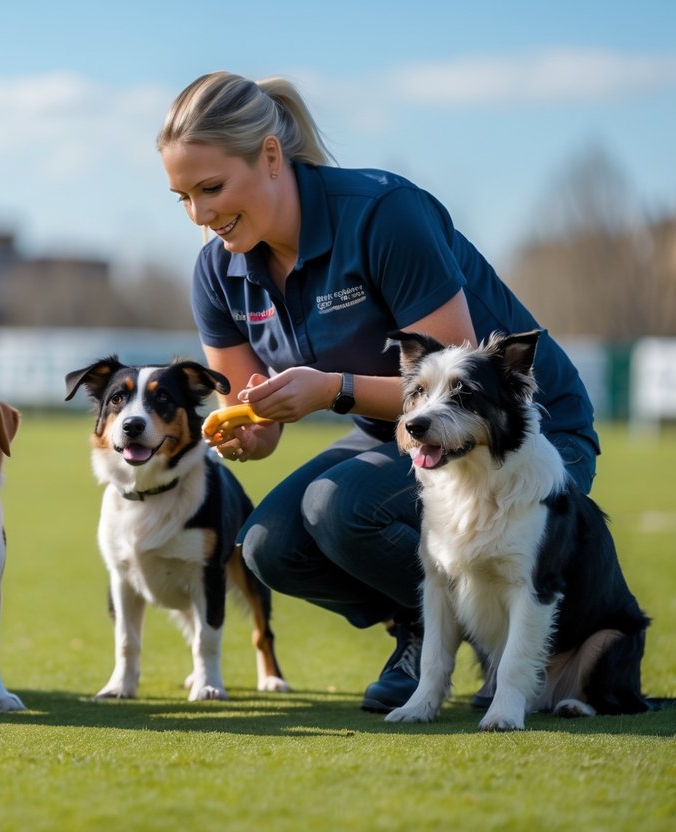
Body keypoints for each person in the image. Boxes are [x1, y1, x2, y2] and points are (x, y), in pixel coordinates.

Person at [157, 71, 599, 713]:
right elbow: (253, 415)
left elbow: (453, 389)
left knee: (338, 507)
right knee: (265, 547)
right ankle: (421, 623)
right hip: (405, 443)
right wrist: (248, 429)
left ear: (272, 157)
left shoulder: (383, 212)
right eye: (182, 198)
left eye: (212, 188)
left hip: (522, 435)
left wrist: (331, 389)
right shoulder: (216, 270)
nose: (200, 215)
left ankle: (507, 640)